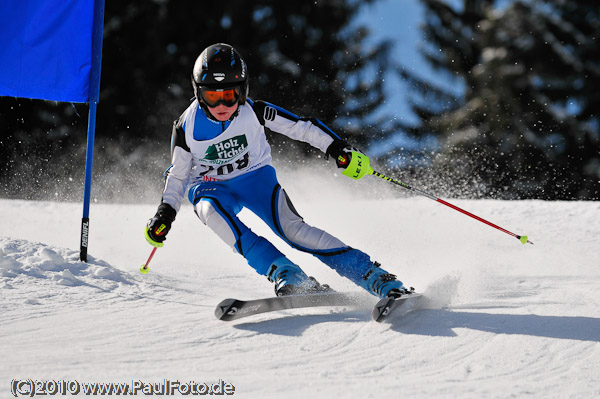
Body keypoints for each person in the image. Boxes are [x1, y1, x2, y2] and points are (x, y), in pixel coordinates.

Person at [145, 43, 409, 299]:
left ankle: (376, 277)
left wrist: (338, 149)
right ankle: (288, 275)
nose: (221, 105)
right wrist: (165, 213)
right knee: (209, 210)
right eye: (212, 96)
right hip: (210, 185)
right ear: (198, 93)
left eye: (229, 95)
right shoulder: (186, 126)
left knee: (293, 231)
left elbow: (302, 127)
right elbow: (178, 174)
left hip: (256, 179)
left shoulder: (255, 111)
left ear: (243, 91)